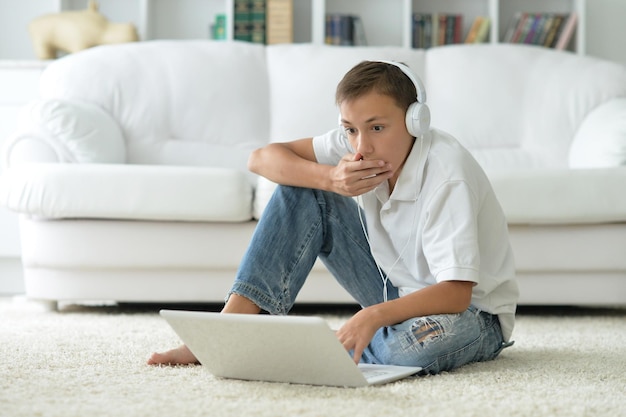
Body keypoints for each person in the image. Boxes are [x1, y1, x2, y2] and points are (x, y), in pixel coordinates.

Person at [148, 60, 519, 374]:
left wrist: (372, 316)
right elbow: (260, 158)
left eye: (377, 127)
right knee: (301, 186)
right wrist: (329, 178)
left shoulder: (446, 173)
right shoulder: (356, 142)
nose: (362, 146)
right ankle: (223, 336)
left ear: (414, 121)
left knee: (406, 352)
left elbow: (456, 294)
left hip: (471, 314)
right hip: (396, 289)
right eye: (351, 130)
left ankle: (313, 352)